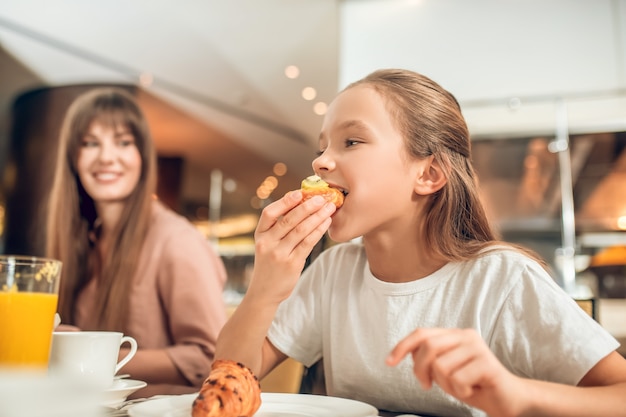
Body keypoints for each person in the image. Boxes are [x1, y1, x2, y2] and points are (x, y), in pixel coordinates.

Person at [214, 69, 626, 416]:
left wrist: (517, 394)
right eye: (322, 147)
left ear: (428, 174)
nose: (320, 161)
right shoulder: (333, 273)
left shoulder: (502, 279)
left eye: (351, 141)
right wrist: (265, 289)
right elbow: (225, 384)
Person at [46, 87, 228, 396]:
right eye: (90, 143)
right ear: (72, 159)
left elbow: (209, 358)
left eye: (123, 142)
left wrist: (91, 354)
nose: (106, 157)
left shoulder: (177, 241)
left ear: (143, 156)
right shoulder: (87, 240)